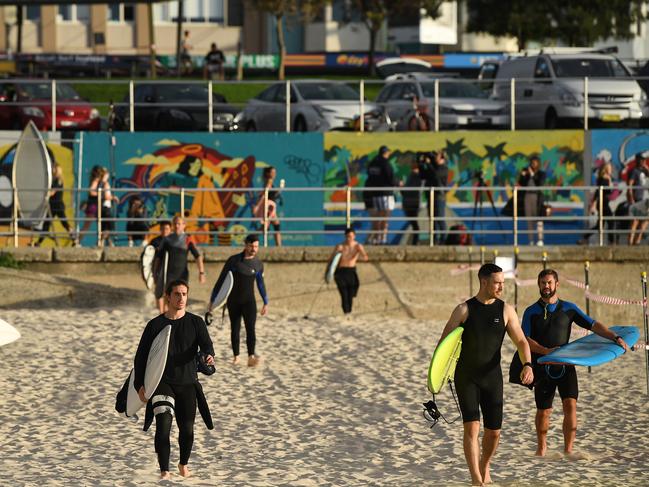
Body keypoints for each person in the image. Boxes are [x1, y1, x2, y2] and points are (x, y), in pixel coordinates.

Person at [435, 263, 533, 486]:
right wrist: (437, 376)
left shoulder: (506, 310)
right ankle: (476, 480)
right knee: (472, 427)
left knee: (494, 433)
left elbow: (521, 341)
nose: (501, 287)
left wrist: (527, 364)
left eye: (503, 283)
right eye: (497, 283)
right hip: (466, 377)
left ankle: (485, 464)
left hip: (492, 377)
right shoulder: (463, 310)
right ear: (484, 282)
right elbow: (443, 345)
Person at [522, 269, 630, 459]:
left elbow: (593, 325)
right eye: (542, 283)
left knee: (570, 405)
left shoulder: (568, 309)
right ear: (538, 285)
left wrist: (615, 336)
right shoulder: (531, 312)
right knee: (544, 410)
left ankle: (569, 449)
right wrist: (546, 351)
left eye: (549, 283)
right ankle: (541, 449)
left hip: (566, 364)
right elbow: (525, 340)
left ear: (557, 284)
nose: (546, 286)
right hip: (543, 365)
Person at [134, 279, 215, 480]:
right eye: (177, 294)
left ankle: (183, 464)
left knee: (187, 430)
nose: (181, 298)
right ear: (168, 296)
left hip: (188, 382)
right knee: (163, 424)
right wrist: (140, 386)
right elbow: (141, 358)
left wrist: (207, 356)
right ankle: (164, 471)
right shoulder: (155, 325)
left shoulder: (196, 323)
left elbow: (207, 347)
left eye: (184, 294)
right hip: (162, 382)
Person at [208, 234, 268, 367]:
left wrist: (265, 301)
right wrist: (212, 301)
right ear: (246, 245)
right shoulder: (234, 261)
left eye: (256, 246)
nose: (254, 249)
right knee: (235, 328)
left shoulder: (258, 264)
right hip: (233, 301)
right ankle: (236, 356)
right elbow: (221, 280)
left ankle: (251, 356)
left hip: (249, 301)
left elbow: (260, 284)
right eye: (251, 246)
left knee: (250, 329)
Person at [154, 216, 206, 313]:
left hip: (182, 274)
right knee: (169, 299)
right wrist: (155, 273)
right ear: (173, 226)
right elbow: (159, 258)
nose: (177, 226)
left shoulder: (188, 239)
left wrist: (201, 273)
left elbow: (197, 256)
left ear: (184, 225)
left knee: (182, 299)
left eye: (179, 224)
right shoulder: (167, 239)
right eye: (175, 224)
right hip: (169, 274)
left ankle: (180, 319)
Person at [329, 228, 369, 315]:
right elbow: (331, 259)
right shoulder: (340, 246)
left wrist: (361, 254)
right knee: (344, 293)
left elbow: (365, 257)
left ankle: (349, 310)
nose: (348, 238)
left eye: (350, 236)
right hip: (341, 272)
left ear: (354, 236)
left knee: (351, 292)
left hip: (351, 271)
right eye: (347, 236)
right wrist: (337, 252)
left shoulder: (358, 246)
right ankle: (346, 312)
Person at [35, 162, 75, 246]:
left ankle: (75, 239)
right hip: (52, 206)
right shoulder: (53, 180)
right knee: (46, 224)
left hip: (58, 205)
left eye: (53, 168)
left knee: (64, 223)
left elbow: (52, 192)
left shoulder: (58, 180)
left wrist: (45, 194)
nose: (51, 169)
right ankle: (38, 243)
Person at [365, 145, 397, 245]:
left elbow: (370, 176)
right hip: (385, 193)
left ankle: (376, 239)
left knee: (378, 217)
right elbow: (390, 178)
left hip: (374, 194)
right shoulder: (385, 164)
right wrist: (397, 183)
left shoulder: (373, 163)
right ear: (386, 153)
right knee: (385, 217)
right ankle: (382, 239)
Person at [578, 162, 614, 245]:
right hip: (603, 204)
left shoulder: (604, 178)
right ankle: (611, 242)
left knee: (600, 225)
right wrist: (593, 203)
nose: (611, 170)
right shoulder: (605, 179)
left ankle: (585, 237)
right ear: (606, 169)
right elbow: (599, 192)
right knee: (611, 222)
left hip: (603, 203)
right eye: (609, 168)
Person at [517, 156, 546, 246]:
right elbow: (521, 183)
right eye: (532, 163)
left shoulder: (541, 173)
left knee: (539, 219)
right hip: (527, 196)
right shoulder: (527, 173)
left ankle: (540, 239)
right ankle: (531, 240)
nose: (533, 165)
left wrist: (532, 174)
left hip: (537, 197)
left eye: (535, 163)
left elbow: (539, 183)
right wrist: (523, 175)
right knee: (529, 219)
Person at [253, 166, 283, 246]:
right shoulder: (269, 181)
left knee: (274, 225)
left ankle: (279, 246)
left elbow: (270, 193)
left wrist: (279, 189)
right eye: (272, 172)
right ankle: (250, 239)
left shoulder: (269, 181)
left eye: (275, 172)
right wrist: (257, 206)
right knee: (266, 227)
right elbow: (264, 194)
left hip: (271, 207)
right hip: (269, 207)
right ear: (268, 173)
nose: (274, 174)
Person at [76, 165, 104, 245]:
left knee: (100, 224)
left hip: (95, 205)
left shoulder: (96, 180)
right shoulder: (95, 180)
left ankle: (100, 242)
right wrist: (99, 194)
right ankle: (78, 241)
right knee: (87, 225)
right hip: (93, 206)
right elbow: (91, 191)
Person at [401, 159, 423, 245]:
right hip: (407, 202)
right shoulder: (410, 176)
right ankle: (415, 241)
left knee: (414, 224)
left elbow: (415, 191)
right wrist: (402, 188)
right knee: (413, 223)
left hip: (413, 203)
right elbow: (406, 192)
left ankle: (415, 241)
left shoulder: (419, 176)